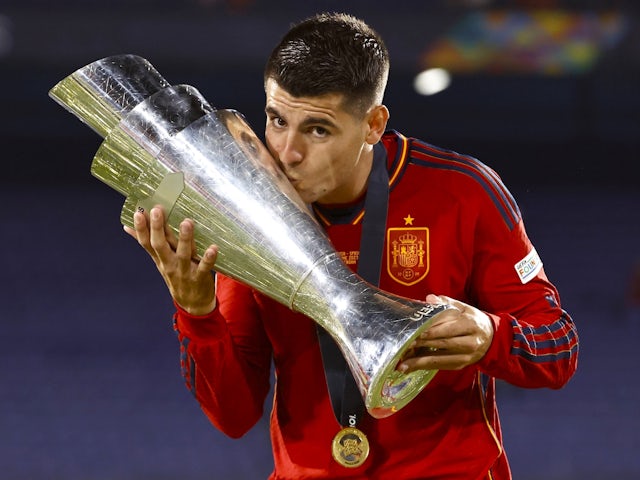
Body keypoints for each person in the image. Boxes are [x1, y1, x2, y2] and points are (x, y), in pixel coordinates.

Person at [125, 12, 579, 479]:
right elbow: (234, 417)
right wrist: (197, 313)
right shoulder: (245, 212)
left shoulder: (464, 193)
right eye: (277, 120)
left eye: (318, 129)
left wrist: (491, 336)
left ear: (372, 124)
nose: (287, 152)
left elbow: (559, 349)